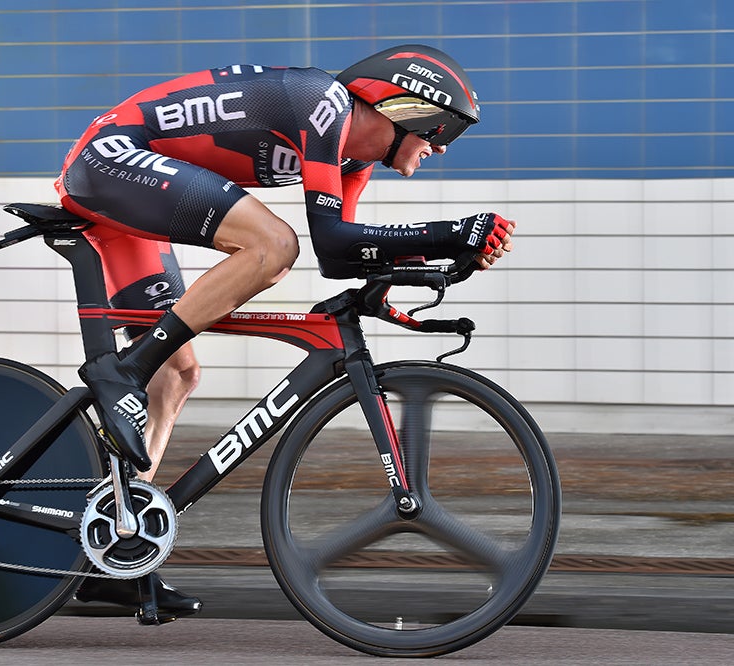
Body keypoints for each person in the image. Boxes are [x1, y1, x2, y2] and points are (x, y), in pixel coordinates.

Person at [56, 44, 515, 622]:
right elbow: (326, 241)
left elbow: (346, 255)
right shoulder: (324, 105)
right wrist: (450, 232)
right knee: (272, 244)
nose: (442, 146)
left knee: (177, 372)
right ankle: (121, 371)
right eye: (440, 128)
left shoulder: (355, 160)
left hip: (131, 179)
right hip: (112, 158)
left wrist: (427, 266)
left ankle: (116, 554)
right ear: (404, 106)